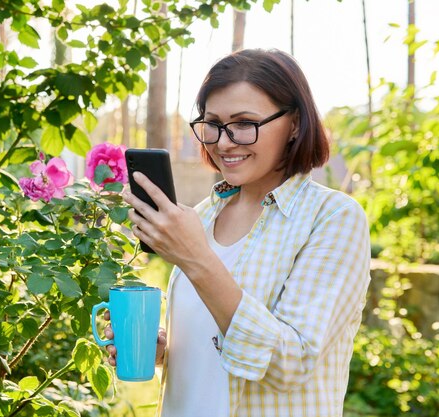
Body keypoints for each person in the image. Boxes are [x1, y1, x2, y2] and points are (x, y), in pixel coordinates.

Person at [105, 48, 371, 417]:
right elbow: (215, 344)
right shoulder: (203, 215)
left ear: (294, 122)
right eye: (212, 123)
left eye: (245, 123)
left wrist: (195, 258)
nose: (224, 142)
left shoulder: (332, 218)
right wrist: (162, 351)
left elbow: (290, 364)